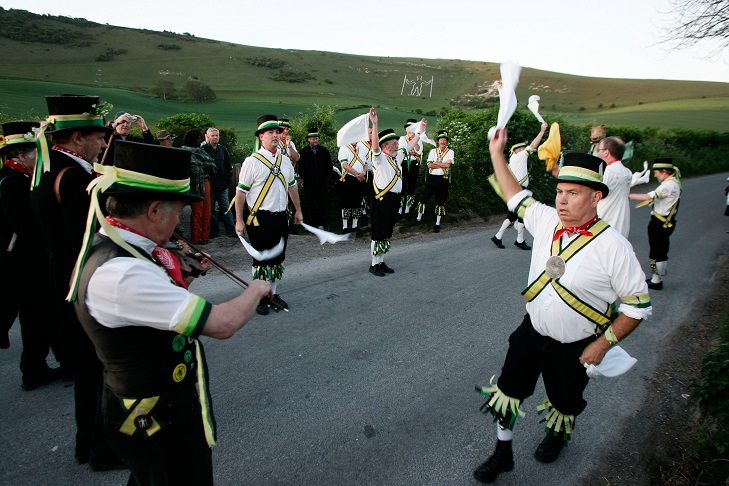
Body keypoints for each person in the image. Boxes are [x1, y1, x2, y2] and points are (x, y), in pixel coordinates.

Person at [70, 140, 272, 485]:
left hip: (155, 410)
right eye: (178, 210)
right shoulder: (123, 272)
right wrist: (257, 287)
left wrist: (187, 275)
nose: (180, 220)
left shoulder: (124, 248)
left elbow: (151, 309)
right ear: (153, 210)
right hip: (155, 417)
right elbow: (222, 324)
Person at [472, 128, 651, 483]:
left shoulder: (615, 247)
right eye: (559, 192)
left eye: (573, 193)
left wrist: (601, 345)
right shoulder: (545, 219)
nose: (562, 200)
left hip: (576, 346)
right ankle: (502, 453)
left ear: (596, 197)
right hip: (531, 332)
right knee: (508, 392)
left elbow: (636, 307)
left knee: (564, 401)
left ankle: (557, 434)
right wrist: (497, 154)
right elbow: (513, 194)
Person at [29, 94, 122, 469]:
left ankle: (88, 443)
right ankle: (100, 449)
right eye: (98, 136)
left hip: (61, 277)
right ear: (77, 138)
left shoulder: (48, 173)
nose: (103, 142)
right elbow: (88, 242)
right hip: (84, 282)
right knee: (99, 368)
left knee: (87, 369)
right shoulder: (74, 179)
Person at [0, 121, 62, 390]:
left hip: (29, 259)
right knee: (37, 314)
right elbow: (22, 225)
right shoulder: (11, 181)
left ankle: (35, 367)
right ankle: (35, 367)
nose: (38, 157)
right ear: (19, 156)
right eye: (34, 153)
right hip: (24, 261)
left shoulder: (21, 178)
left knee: (38, 315)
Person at [234, 115, 303, 315]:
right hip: (259, 218)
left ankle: (273, 294)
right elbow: (240, 193)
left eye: (277, 132)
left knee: (278, 258)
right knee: (262, 260)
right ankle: (260, 297)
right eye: (270, 133)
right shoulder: (252, 162)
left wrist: (298, 209)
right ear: (261, 136)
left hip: (281, 216)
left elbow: (293, 187)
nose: (275, 136)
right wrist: (239, 220)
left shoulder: (285, 161)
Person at [367, 108, 425, 276]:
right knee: (378, 231)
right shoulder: (379, 158)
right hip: (382, 199)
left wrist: (419, 133)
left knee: (388, 230)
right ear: (386, 146)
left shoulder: (397, 156)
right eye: (393, 143)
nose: (397, 145)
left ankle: (382, 261)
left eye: (397, 143)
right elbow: (375, 145)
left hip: (394, 199)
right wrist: (375, 124)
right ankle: (373, 264)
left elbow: (409, 145)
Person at [491, 122, 548, 250]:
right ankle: (507, 238)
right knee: (516, 215)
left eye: (523, 148)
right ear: (516, 150)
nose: (523, 149)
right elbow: (533, 145)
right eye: (521, 148)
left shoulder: (515, 158)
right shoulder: (519, 157)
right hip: (519, 190)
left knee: (516, 215)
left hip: (518, 190)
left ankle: (511, 238)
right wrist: (542, 131)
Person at [629, 158, 682, 290]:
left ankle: (658, 280)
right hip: (664, 221)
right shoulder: (673, 183)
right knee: (659, 250)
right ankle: (656, 278)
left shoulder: (668, 185)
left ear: (664, 172)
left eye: (657, 172)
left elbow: (649, 197)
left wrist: (630, 196)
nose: (655, 175)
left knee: (658, 251)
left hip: (660, 222)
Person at [412, 130, 454, 233]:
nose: (443, 142)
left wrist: (436, 163)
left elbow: (448, 165)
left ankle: (437, 223)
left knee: (440, 201)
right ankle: (418, 218)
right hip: (432, 178)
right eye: (441, 140)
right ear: (438, 141)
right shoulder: (432, 151)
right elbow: (429, 165)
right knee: (424, 198)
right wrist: (442, 163)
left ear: (446, 142)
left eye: (444, 140)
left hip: (443, 178)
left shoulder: (450, 152)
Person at [181, 128, 216, 244]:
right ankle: (196, 237)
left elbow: (212, 165)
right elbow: (194, 169)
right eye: (198, 138)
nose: (200, 140)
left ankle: (205, 236)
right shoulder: (185, 152)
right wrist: (204, 166)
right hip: (196, 184)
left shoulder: (200, 151)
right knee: (197, 211)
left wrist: (204, 166)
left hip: (206, 181)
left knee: (207, 211)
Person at [202, 127, 236, 238]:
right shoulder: (203, 150)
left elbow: (228, 165)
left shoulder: (222, 150)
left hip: (223, 185)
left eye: (217, 135)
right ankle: (214, 232)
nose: (215, 137)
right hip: (210, 185)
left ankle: (231, 231)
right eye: (213, 135)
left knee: (226, 208)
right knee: (211, 209)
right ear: (207, 136)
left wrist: (227, 180)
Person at [596, 136, 632, 238]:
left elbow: (596, 194)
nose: (597, 152)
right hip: (622, 222)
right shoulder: (627, 172)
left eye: (599, 150)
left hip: (605, 221)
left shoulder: (608, 171)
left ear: (606, 152)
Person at [336, 130, 371, 234]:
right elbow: (344, 165)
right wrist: (357, 174)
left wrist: (363, 173)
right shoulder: (344, 148)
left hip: (359, 179)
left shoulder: (362, 149)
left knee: (357, 202)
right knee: (346, 202)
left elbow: (365, 164)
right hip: (348, 178)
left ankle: (355, 226)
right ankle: (345, 227)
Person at [297, 127, 332, 229]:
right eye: (313, 139)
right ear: (309, 139)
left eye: (316, 138)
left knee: (321, 203)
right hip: (309, 184)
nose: (315, 140)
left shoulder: (324, 151)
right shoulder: (303, 152)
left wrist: (324, 177)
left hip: (321, 183)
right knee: (309, 203)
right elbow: (301, 169)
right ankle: (309, 224)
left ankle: (321, 223)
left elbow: (329, 167)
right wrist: (307, 178)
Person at [398, 118, 423, 218]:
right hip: (404, 164)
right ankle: (400, 210)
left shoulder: (419, 139)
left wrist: (414, 140)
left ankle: (407, 210)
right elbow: (403, 151)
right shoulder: (402, 139)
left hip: (413, 164)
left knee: (411, 187)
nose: (410, 131)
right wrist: (413, 153)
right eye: (408, 128)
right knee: (402, 187)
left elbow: (419, 151)